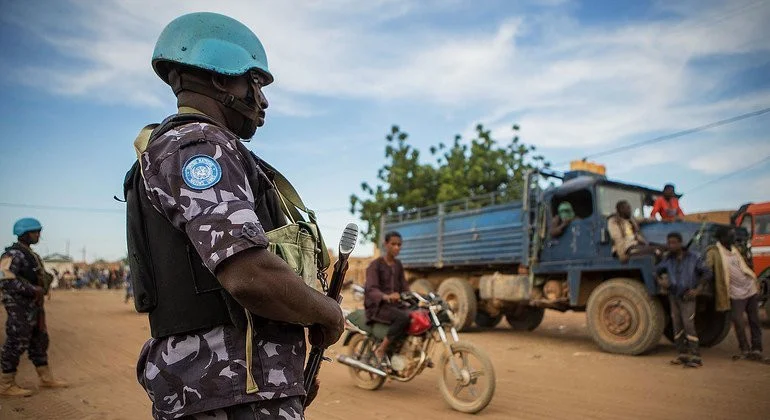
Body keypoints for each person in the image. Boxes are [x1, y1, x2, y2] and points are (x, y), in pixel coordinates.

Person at [127, 12, 344, 419]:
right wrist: (326, 311)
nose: (262, 100)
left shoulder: (191, 146)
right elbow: (249, 275)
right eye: (255, 83)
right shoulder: (200, 146)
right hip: (227, 389)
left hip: (236, 386)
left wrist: (285, 367)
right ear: (221, 78)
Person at [0, 218, 68, 397]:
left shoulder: (30, 254)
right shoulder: (13, 254)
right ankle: (6, 383)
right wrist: (32, 289)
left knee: (39, 340)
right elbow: (6, 280)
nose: (38, 235)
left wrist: (44, 281)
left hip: (34, 306)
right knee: (16, 341)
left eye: (38, 231)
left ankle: (46, 378)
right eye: (34, 232)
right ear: (24, 233)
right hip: (19, 306)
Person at [705, 227, 763, 360]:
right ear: (722, 238)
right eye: (730, 236)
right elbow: (708, 268)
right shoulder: (714, 252)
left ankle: (757, 349)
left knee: (754, 320)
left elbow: (746, 264)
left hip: (750, 288)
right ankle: (745, 349)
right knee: (738, 321)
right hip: (735, 293)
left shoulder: (736, 249)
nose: (733, 238)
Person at [656, 232, 711, 367]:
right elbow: (656, 271)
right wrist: (661, 282)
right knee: (677, 325)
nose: (671, 245)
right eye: (669, 243)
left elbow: (707, 272)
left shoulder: (694, 257)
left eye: (674, 242)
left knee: (688, 324)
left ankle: (696, 356)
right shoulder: (668, 260)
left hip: (688, 296)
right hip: (674, 295)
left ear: (681, 243)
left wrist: (698, 290)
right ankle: (682, 355)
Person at [364, 231, 411, 361]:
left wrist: (416, 296)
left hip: (395, 305)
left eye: (399, 245)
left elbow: (404, 286)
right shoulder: (375, 265)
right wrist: (387, 297)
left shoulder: (398, 265)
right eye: (393, 244)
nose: (397, 247)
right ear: (386, 245)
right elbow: (371, 289)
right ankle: (381, 349)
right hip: (378, 306)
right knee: (403, 318)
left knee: (416, 314)